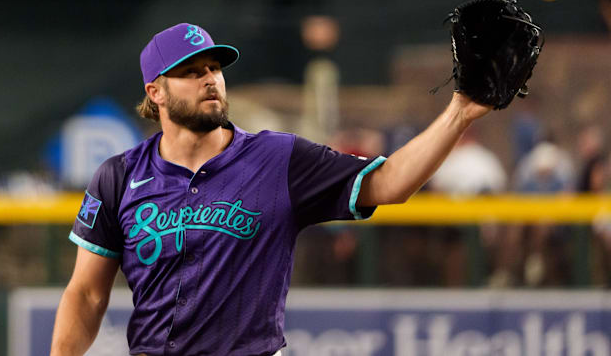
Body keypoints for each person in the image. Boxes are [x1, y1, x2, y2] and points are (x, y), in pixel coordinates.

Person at [50, 23, 492, 356]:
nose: (210, 79)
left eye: (214, 68)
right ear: (156, 92)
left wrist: (460, 111)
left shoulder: (278, 158)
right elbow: (87, 293)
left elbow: (389, 182)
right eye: (190, 71)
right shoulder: (120, 176)